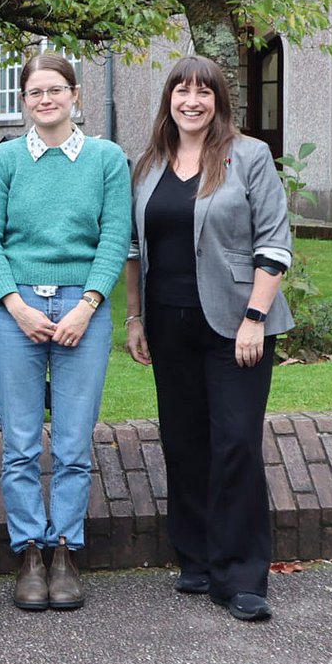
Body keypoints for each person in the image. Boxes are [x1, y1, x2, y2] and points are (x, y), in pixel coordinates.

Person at [124, 56, 294, 623]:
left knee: (236, 443)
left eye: (203, 92)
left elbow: (274, 241)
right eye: (181, 91)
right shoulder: (148, 162)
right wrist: (135, 317)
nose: (191, 101)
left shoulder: (249, 156)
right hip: (168, 326)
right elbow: (133, 250)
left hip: (236, 325)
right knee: (184, 441)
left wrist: (255, 317)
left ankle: (242, 575)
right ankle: (196, 559)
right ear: (168, 99)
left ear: (219, 100)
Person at [0, 55, 130, 613]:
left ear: (75, 94)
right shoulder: (5, 160)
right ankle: (29, 551)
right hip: (15, 309)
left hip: (82, 311)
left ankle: (64, 547)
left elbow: (115, 239)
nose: (46, 100)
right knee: (18, 441)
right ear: (23, 100)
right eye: (35, 92)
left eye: (56, 90)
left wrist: (88, 305)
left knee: (71, 442)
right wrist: (14, 305)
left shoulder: (107, 159)